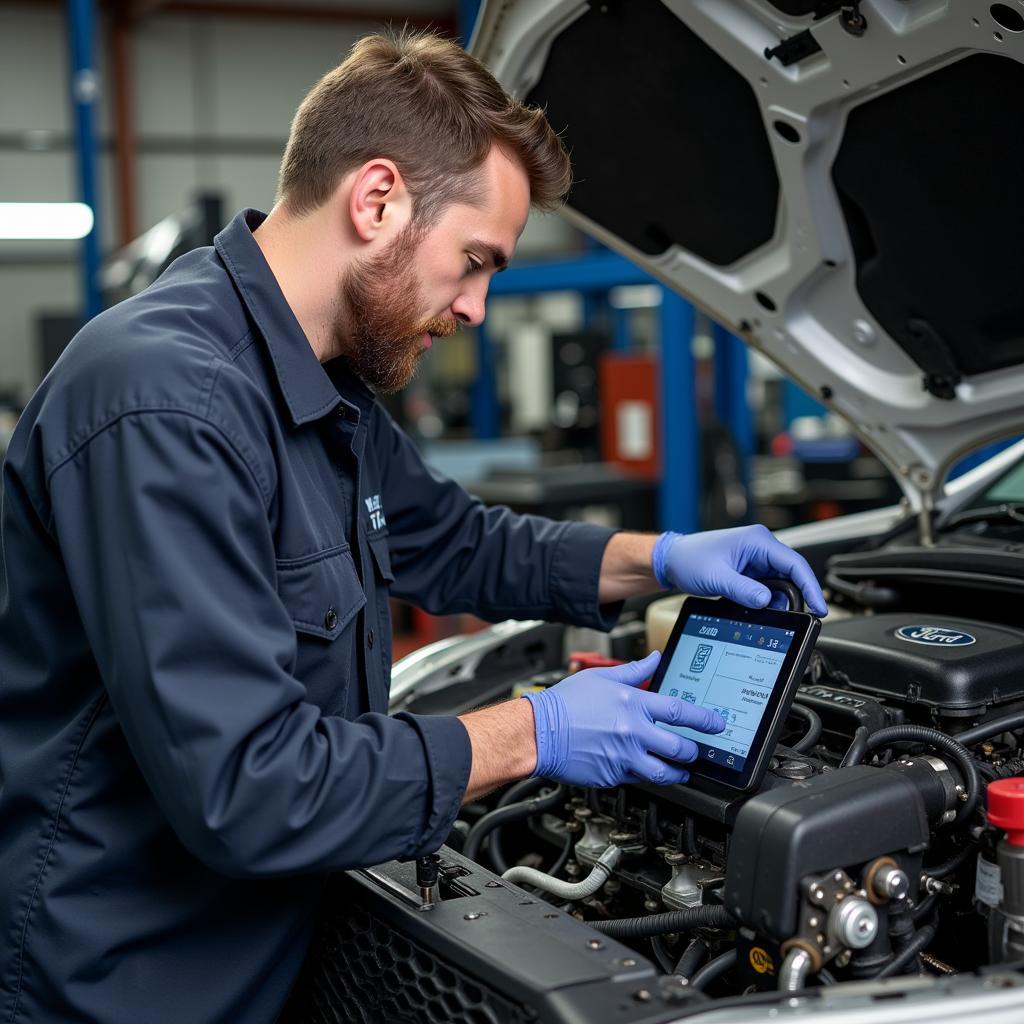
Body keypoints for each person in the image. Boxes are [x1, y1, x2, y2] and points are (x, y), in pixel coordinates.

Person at [0, 29, 827, 1024]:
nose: (478, 306)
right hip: (130, 982)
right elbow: (246, 788)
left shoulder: (322, 382)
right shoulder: (169, 401)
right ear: (377, 198)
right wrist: (532, 731)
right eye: (474, 260)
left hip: (263, 944)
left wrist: (656, 557)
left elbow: (450, 539)